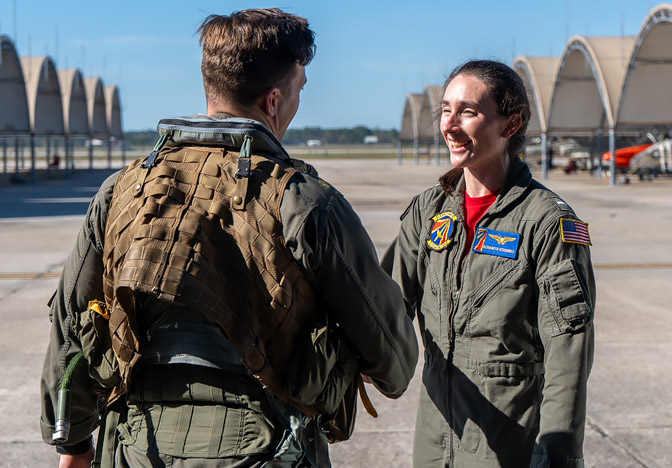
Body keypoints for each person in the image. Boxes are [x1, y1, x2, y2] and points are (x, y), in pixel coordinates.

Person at [40, 8, 418, 467]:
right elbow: (393, 358)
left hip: (138, 449)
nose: (299, 102)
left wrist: (75, 445)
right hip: (268, 449)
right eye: (299, 89)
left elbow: (70, 324)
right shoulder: (304, 201)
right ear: (274, 101)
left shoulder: (122, 190)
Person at [383, 60, 595, 468]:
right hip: (434, 442)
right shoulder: (429, 212)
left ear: (510, 125)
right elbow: (383, 308)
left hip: (511, 445)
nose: (449, 125)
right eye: (446, 110)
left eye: (468, 112)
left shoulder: (549, 223)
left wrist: (557, 455)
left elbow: (568, 355)